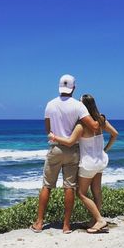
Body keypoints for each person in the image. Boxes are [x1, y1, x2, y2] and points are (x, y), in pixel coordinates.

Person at [31, 75, 99, 234]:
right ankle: (66, 226)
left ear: (59, 87)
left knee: (47, 186)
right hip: (73, 150)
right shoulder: (79, 106)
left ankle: (39, 223)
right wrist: (99, 118)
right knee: (69, 187)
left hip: (55, 148)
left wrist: (56, 136)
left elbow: (48, 130)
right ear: (74, 88)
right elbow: (94, 126)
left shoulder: (50, 104)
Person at [48, 94, 118, 233]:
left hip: (88, 164)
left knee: (81, 193)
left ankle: (99, 220)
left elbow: (70, 142)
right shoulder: (101, 120)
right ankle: (95, 220)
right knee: (97, 191)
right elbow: (115, 134)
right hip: (101, 161)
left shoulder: (82, 125)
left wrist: (54, 137)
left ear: (83, 106)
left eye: (79, 103)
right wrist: (105, 149)